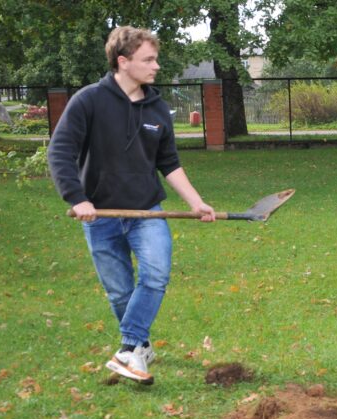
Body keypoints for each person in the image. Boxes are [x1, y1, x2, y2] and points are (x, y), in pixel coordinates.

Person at [48, 26, 216, 385]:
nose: (156, 66)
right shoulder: (89, 100)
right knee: (120, 291)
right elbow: (60, 151)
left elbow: (168, 163)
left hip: (146, 211)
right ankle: (140, 347)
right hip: (100, 215)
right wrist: (77, 198)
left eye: (156, 59)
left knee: (155, 274)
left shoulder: (158, 108)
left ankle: (128, 350)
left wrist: (196, 202)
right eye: (148, 60)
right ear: (123, 62)